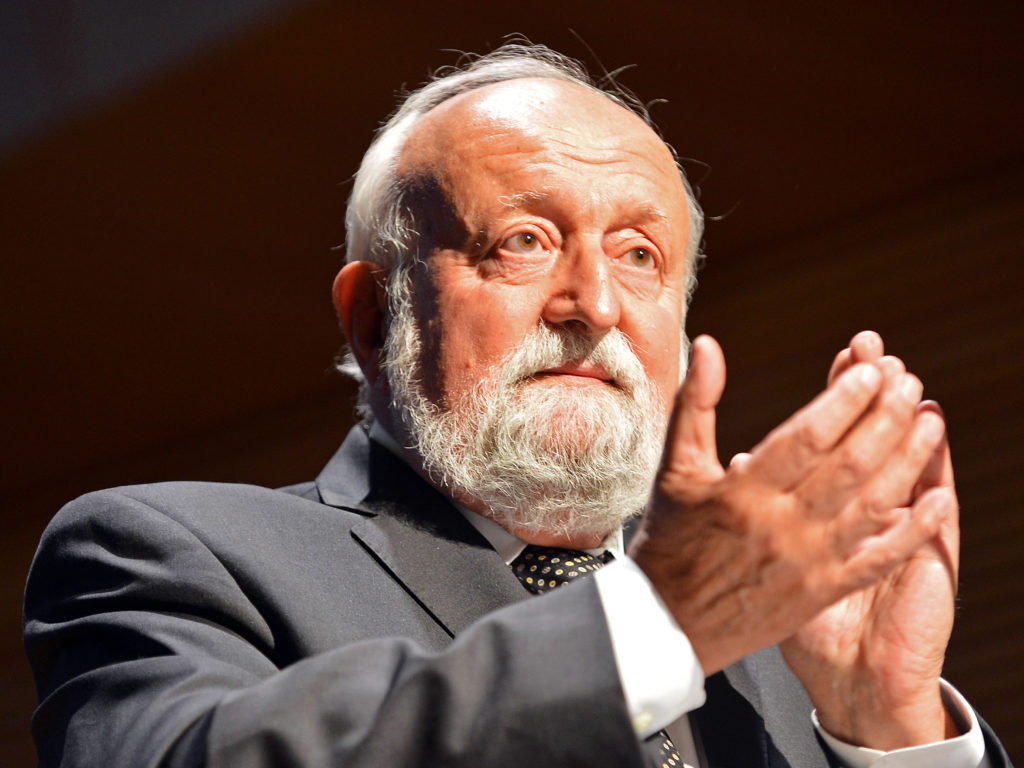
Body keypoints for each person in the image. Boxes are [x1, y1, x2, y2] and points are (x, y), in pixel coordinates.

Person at [24, 43, 1013, 768]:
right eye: (523, 242)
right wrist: (654, 628)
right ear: (375, 317)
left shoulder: (782, 650)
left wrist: (889, 729)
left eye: (640, 257)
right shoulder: (167, 553)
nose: (593, 306)